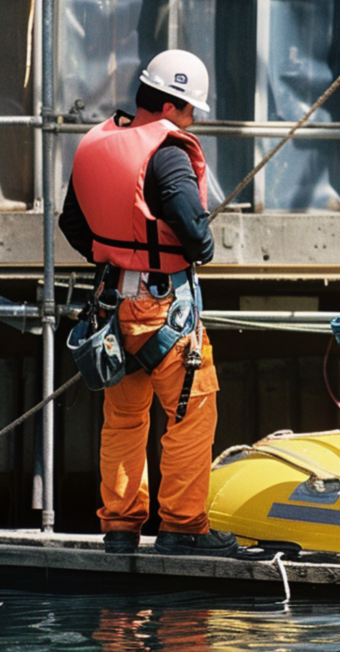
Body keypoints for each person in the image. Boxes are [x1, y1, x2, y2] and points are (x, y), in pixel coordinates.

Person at [59, 50, 236, 556]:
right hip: (165, 311)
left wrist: (114, 257)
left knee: (123, 419)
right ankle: (182, 528)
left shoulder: (98, 144)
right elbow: (196, 239)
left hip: (112, 308)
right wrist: (197, 241)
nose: (195, 118)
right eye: (191, 109)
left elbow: (72, 224)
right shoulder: (169, 152)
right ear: (172, 104)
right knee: (190, 414)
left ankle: (120, 527)